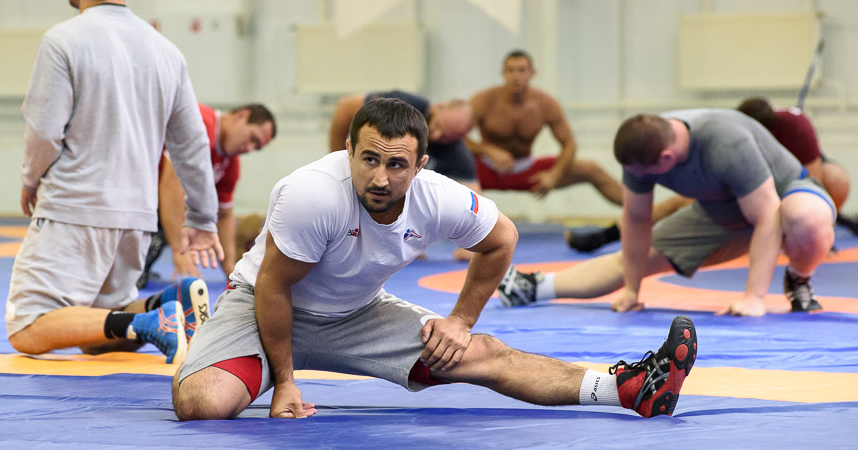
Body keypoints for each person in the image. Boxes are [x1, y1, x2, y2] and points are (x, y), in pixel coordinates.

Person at [172, 98, 698, 421]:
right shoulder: (311, 194)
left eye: (397, 165)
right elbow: (273, 287)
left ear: (420, 165)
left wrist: (461, 320)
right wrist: (284, 380)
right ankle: (204, 338)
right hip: (264, 309)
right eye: (369, 159)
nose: (380, 178)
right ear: (350, 149)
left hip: (356, 315)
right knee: (204, 405)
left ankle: (628, 388)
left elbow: (502, 239)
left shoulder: (437, 196)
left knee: (479, 353)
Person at [5, 0, 222, 365]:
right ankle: (166, 304)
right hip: (135, 220)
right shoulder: (166, 51)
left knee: (27, 326)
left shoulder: (63, 40)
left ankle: (146, 323)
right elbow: (192, 144)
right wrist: (202, 216)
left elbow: (45, 133)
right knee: (97, 330)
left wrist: (30, 181)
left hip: (74, 208)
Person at [498, 109, 836, 316]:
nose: (639, 179)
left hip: (784, 194)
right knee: (633, 260)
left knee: (805, 217)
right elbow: (635, 219)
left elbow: (767, 214)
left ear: (666, 160)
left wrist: (753, 298)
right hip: (724, 210)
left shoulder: (725, 142)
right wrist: (632, 290)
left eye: (646, 174)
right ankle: (533, 287)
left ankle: (799, 278)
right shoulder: (641, 147)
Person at [567, 95, 849, 253]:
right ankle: (609, 235)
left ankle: (821, 231)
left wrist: (818, 234)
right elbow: (637, 215)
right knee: (678, 203)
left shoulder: (796, 129)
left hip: (788, 183)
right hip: (744, 187)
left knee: (834, 180)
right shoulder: (733, 138)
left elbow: (816, 177)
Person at [137, 102, 276, 287]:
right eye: (252, 138)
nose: (250, 149)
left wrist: (231, 270)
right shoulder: (200, 123)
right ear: (241, 115)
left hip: (149, 203)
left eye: (256, 148)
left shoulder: (230, 165)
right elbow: (171, 187)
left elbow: (225, 215)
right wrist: (179, 251)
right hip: (132, 194)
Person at [330, 89, 479, 261]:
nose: (436, 135)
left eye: (446, 137)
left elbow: (473, 196)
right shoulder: (406, 105)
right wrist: (339, 158)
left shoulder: (457, 152)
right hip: (360, 175)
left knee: (414, 189)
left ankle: (404, 239)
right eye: (437, 126)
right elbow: (345, 107)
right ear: (437, 108)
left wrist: (470, 243)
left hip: (394, 202)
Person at [468, 50, 624, 203]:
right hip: (484, 169)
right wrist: (488, 150)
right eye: (511, 70)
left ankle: (645, 214)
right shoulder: (484, 100)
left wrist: (554, 175)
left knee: (592, 169)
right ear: (503, 73)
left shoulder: (545, 103)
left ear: (531, 73)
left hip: (527, 170)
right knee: (444, 169)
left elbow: (569, 143)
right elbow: (456, 138)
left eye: (521, 70)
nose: (516, 76)